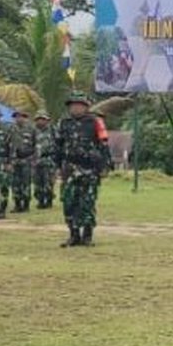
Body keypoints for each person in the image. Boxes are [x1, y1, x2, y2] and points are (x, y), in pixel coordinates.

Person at [55, 93, 108, 247]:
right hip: (69, 169)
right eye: (73, 105)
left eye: (79, 105)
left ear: (86, 107)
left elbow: (104, 146)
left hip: (89, 169)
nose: (76, 108)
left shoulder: (96, 122)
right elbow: (58, 147)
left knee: (87, 203)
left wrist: (103, 167)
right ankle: (73, 235)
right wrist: (58, 167)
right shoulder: (63, 123)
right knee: (69, 202)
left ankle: (87, 235)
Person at [7, 109, 37, 213]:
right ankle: (17, 204)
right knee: (15, 184)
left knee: (26, 183)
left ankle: (26, 204)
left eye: (21, 116)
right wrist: (8, 161)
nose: (19, 119)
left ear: (25, 118)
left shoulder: (31, 129)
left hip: (27, 160)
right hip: (14, 161)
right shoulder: (11, 129)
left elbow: (36, 145)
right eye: (17, 117)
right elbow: (7, 145)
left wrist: (34, 159)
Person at [33, 111, 58, 208]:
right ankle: (40, 200)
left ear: (47, 120)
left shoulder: (52, 130)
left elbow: (58, 143)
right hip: (37, 160)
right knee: (38, 182)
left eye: (43, 119)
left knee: (48, 182)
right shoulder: (33, 131)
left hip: (49, 160)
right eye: (38, 119)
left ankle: (49, 200)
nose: (40, 121)